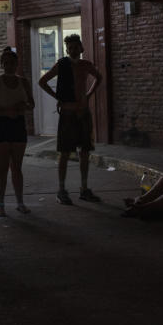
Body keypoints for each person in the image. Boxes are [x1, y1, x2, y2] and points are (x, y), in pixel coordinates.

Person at [38, 33, 103, 205]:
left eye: (76, 47)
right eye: (70, 48)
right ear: (67, 50)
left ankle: (84, 188)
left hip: (83, 113)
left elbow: (99, 77)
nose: (74, 50)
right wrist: (57, 97)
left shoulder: (86, 65)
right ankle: (61, 190)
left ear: (81, 48)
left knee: (85, 152)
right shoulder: (62, 65)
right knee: (65, 153)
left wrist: (88, 95)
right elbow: (42, 81)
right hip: (67, 112)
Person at [0, 47, 34, 216]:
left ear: (17, 64)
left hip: (18, 125)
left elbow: (31, 104)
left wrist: (23, 106)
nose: (9, 66)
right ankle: (0, 205)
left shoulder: (23, 82)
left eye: (12, 63)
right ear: (2, 64)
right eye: (6, 63)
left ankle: (20, 202)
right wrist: (4, 112)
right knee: (2, 167)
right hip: (1, 125)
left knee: (17, 167)